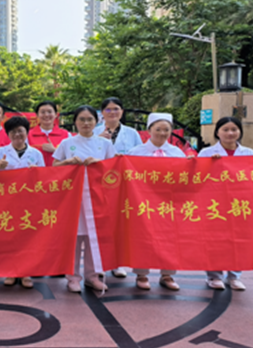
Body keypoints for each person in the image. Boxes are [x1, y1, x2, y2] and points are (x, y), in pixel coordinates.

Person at [52, 105, 116, 293]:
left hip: (97, 197)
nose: (86, 123)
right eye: (81, 119)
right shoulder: (67, 143)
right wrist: (68, 162)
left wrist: (99, 163)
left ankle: (92, 276)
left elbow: (114, 169)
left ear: (96, 122)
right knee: (74, 238)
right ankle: (72, 277)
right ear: (75, 122)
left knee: (93, 238)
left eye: (90, 119)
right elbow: (54, 166)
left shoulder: (105, 144)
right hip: (73, 198)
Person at [127, 112, 187, 291]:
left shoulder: (177, 153)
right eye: (158, 129)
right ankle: (142, 274)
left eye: (166, 130)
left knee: (170, 238)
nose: (162, 133)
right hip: (143, 201)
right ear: (149, 130)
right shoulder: (136, 152)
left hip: (169, 203)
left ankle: (167, 274)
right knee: (143, 237)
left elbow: (185, 177)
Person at [0, 116, 45, 288]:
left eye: (20, 131)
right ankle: (10, 271)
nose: (17, 134)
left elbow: (44, 176)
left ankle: (26, 273)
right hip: (7, 201)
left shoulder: (36, 153)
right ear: (8, 134)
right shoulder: (1, 151)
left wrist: (36, 172)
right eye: (13, 132)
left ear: (26, 132)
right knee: (9, 236)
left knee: (28, 237)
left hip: (28, 201)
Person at [197, 116, 253, 291]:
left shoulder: (249, 153)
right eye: (225, 129)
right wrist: (209, 164)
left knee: (238, 240)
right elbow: (196, 176)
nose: (230, 133)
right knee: (214, 240)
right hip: (214, 204)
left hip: (239, 204)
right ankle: (214, 276)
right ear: (217, 132)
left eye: (234, 129)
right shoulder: (206, 153)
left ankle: (234, 276)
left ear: (240, 132)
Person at [94, 97, 143, 279]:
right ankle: (100, 263)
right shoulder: (94, 132)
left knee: (120, 223)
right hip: (100, 183)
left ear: (122, 112)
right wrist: (98, 141)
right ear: (102, 113)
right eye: (108, 109)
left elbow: (140, 156)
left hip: (123, 184)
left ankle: (118, 263)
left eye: (116, 109)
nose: (112, 112)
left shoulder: (132, 133)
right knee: (101, 223)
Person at [27, 100, 71, 167]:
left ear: (56, 114)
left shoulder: (66, 135)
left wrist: (55, 150)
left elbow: (73, 157)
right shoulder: (28, 135)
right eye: (42, 112)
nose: (46, 115)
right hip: (36, 172)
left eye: (49, 112)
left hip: (60, 173)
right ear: (37, 115)